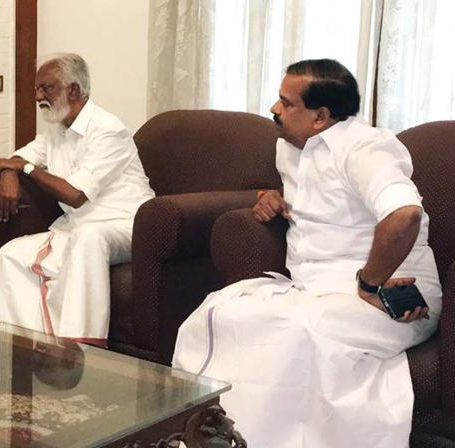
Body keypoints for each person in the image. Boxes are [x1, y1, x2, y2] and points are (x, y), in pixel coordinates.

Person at [171, 59, 440, 447]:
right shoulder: (291, 148)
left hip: (390, 292)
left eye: (286, 102)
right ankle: (210, 436)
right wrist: (271, 196)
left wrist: (370, 282)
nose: (274, 109)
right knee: (220, 312)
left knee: (295, 335)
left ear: (320, 116)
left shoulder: (363, 147)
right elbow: (327, 202)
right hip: (314, 287)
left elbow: (405, 214)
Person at [0, 53, 154, 346]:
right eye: (36, 89)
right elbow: (13, 160)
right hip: (77, 228)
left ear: (74, 90)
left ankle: (82, 348)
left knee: (89, 237)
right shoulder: (56, 130)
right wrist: (10, 174)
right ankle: (24, 346)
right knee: (10, 255)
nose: (38, 96)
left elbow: (75, 195)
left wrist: (25, 169)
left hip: (127, 225)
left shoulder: (108, 130)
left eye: (46, 88)